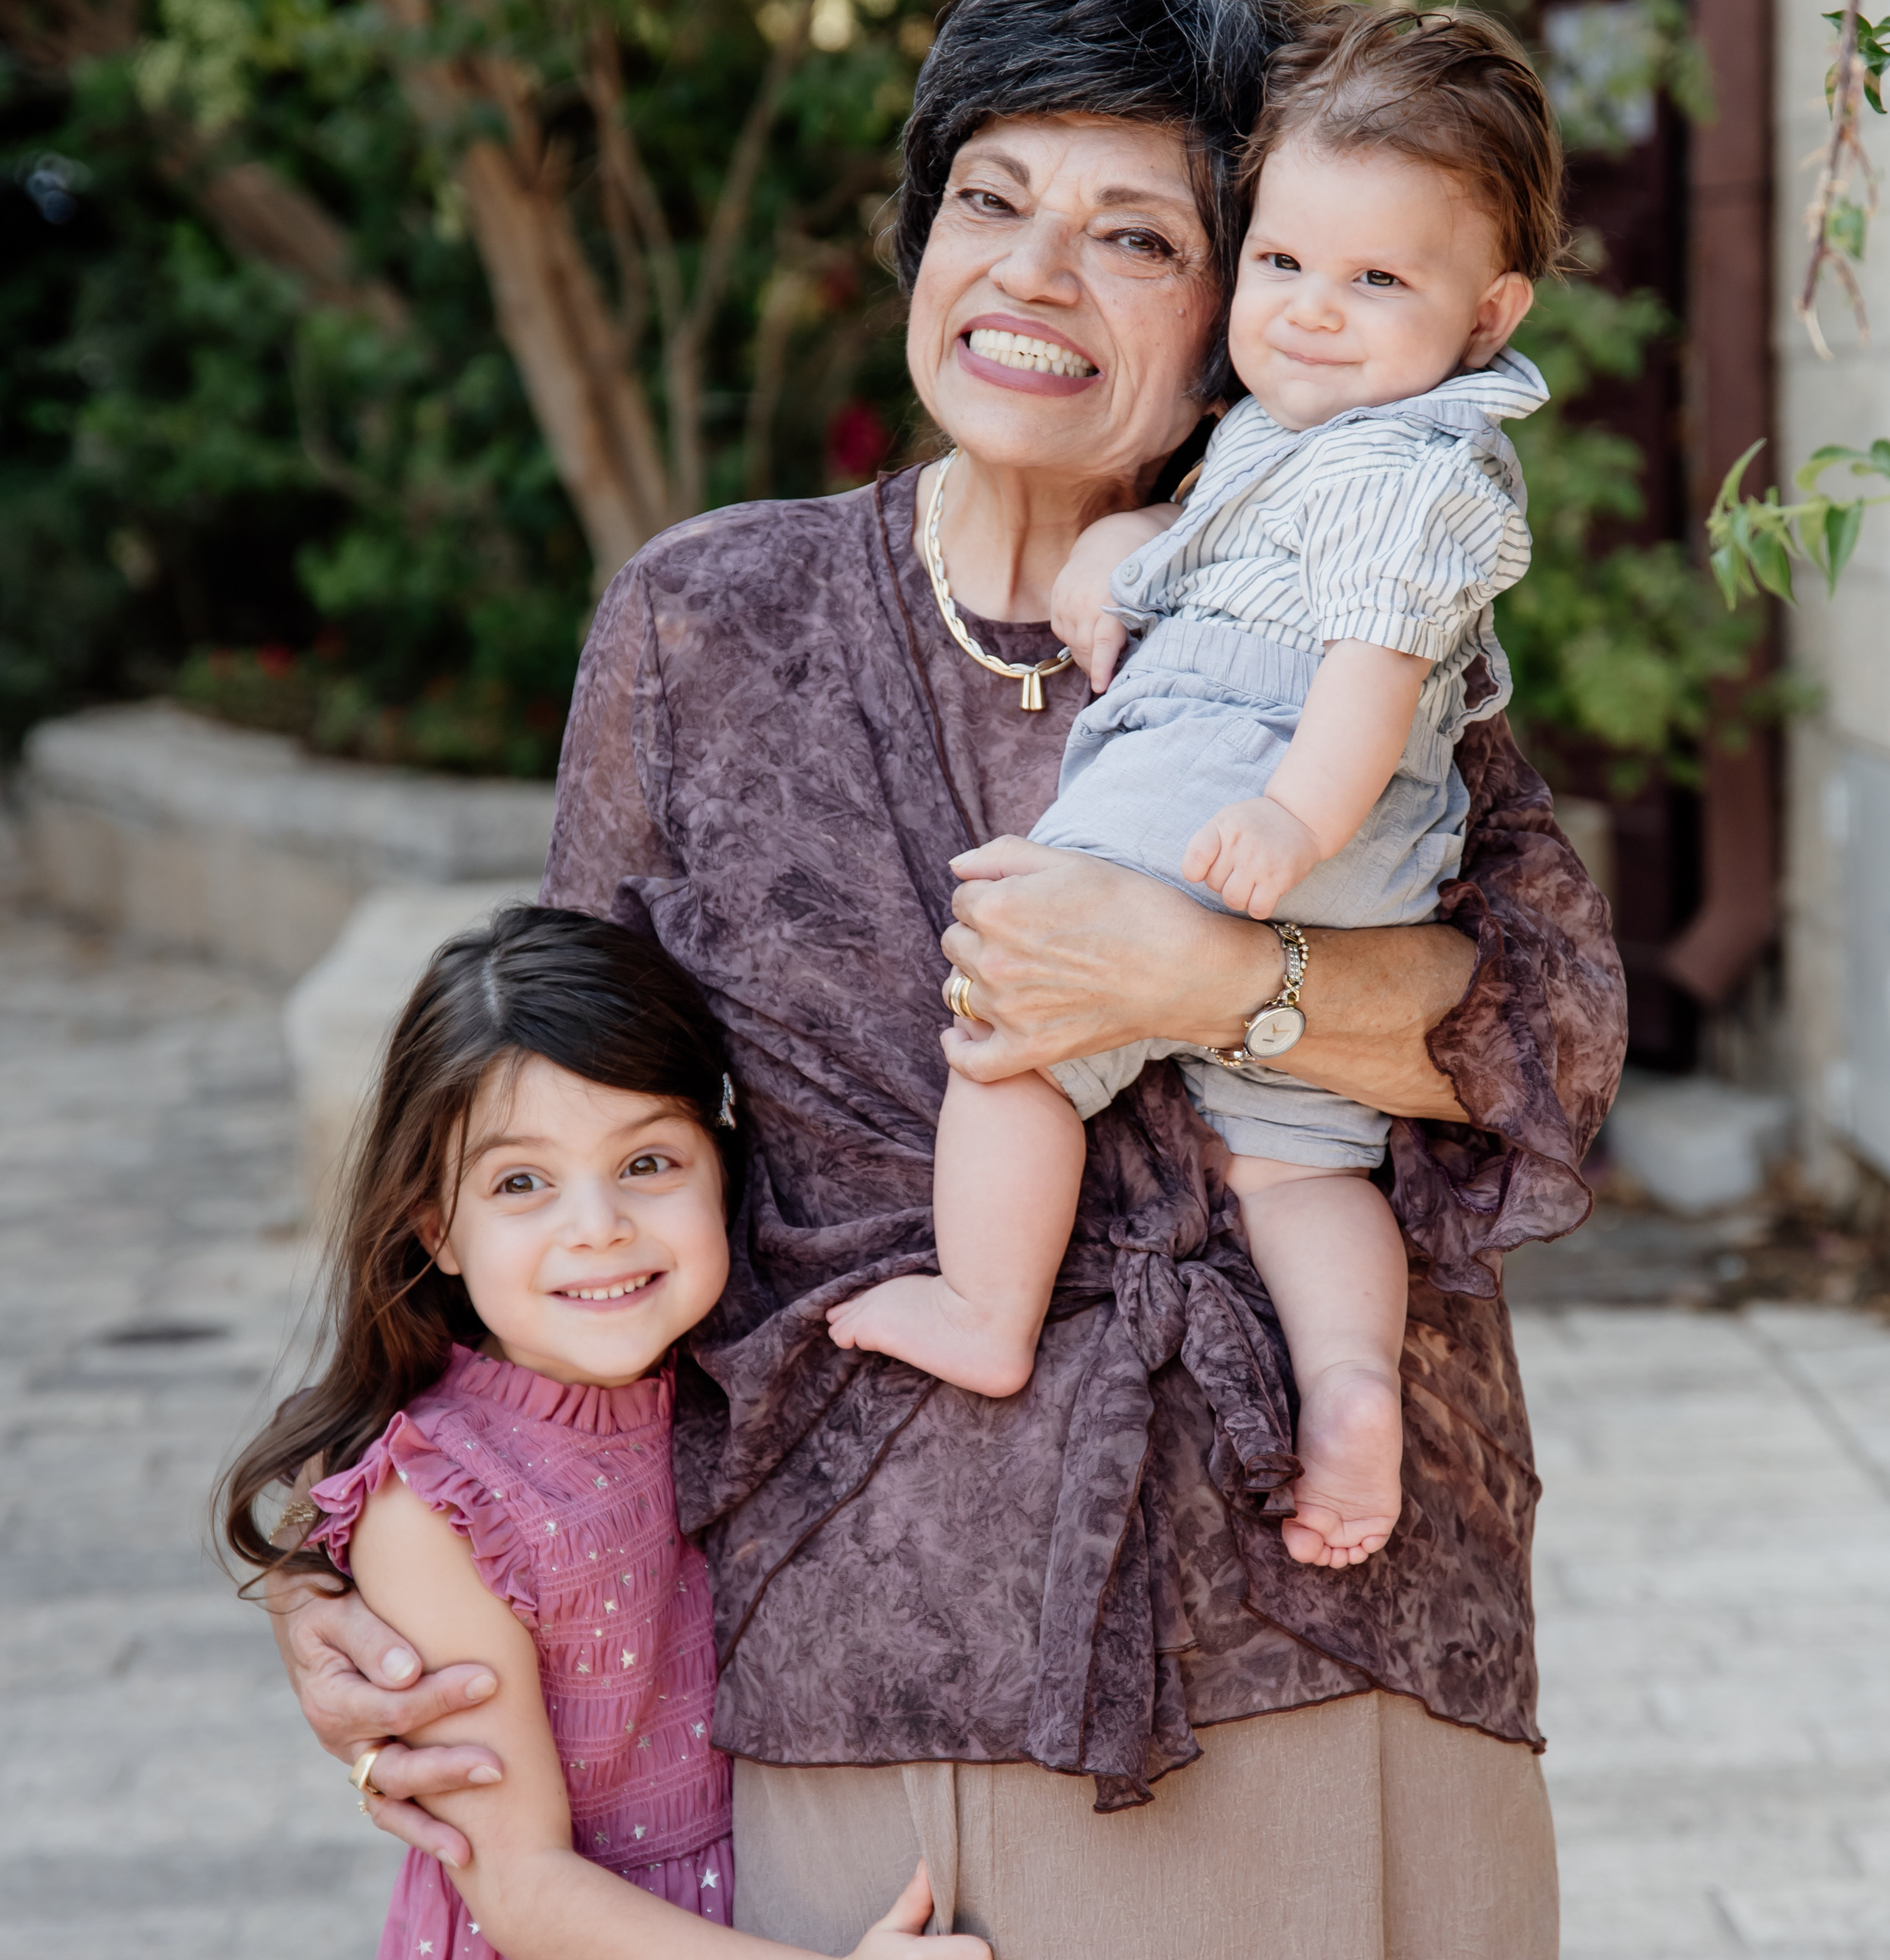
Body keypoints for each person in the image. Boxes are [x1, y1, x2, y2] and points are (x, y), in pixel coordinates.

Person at [264, 3, 1624, 1954]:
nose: (1035, 277)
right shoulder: (707, 621)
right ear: (914, 240)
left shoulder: (1333, 601)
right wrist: (365, 1567)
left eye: (1138, 234)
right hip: (852, 1631)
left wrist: (1209, 974)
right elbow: (560, 1155)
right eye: (988, 201)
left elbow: (1542, 1045)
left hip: (1319, 1608)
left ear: (1235, 285)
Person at [826, 9, 1561, 1579]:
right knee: (1300, 1157)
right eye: (1286, 265)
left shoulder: (1390, 466)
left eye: (1136, 234)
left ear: (1487, 312)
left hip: (1241, 788)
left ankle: (982, 1303)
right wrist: (1123, 560)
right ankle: (1348, 1382)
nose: (1310, 312)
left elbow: (1550, 1026)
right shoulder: (1307, 444)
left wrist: (1261, 883)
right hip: (1350, 846)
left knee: (1015, 1013)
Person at [218, 907, 986, 1960]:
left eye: (647, 1164)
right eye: (521, 1183)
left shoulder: (733, 1378)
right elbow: (525, 1890)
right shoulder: (444, 1504)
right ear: (436, 1228)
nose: (597, 1226)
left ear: (722, 1168)